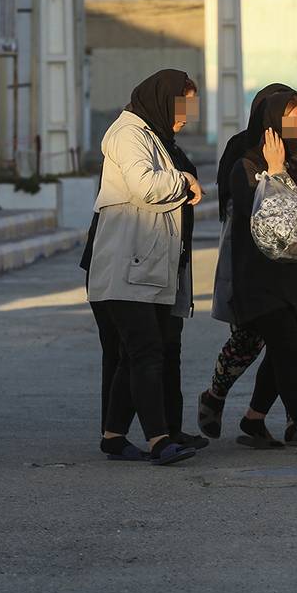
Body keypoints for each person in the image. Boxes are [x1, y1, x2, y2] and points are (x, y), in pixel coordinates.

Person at [198, 84, 297, 448]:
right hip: (259, 275)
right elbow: (268, 216)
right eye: (291, 123)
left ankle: (255, 419)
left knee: (292, 343)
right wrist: (276, 172)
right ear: (269, 123)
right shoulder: (246, 162)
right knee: (271, 342)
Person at [85, 69, 205, 465]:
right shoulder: (128, 133)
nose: (187, 115)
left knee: (134, 355)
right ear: (162, 99)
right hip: (125, 266)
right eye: (182, 105)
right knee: (145, 351)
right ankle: (158, 440)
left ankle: (113, 436)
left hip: (146, 267)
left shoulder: (153, 135)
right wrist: (185, 178)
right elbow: (146, 185)